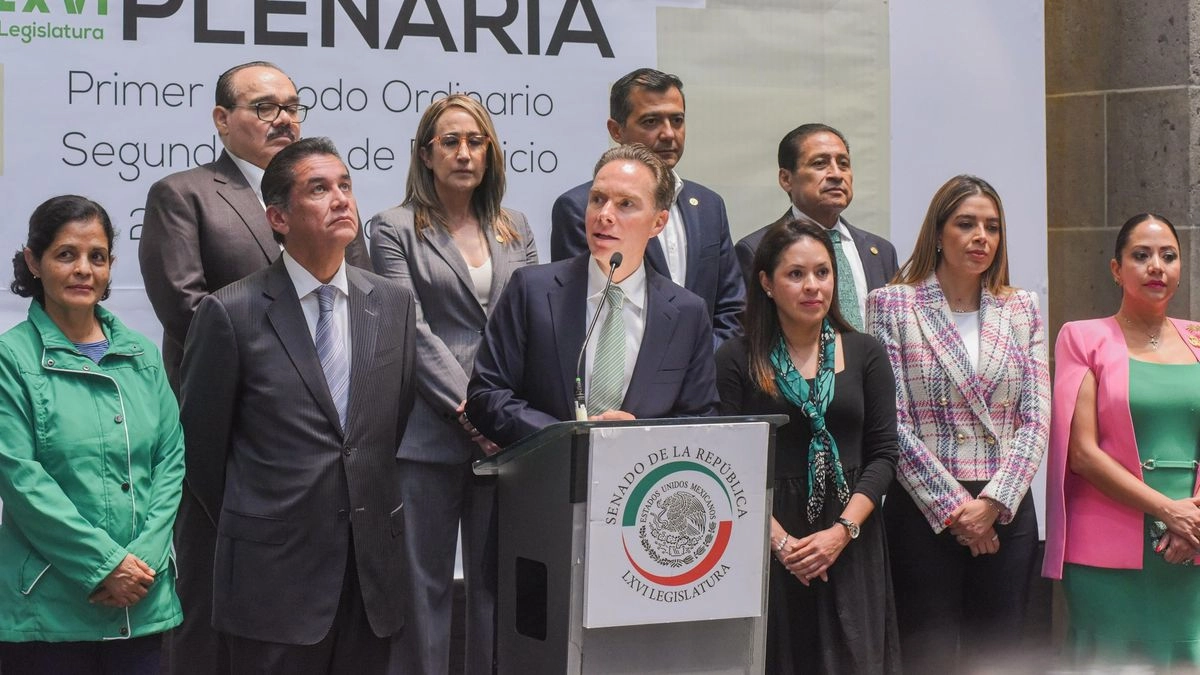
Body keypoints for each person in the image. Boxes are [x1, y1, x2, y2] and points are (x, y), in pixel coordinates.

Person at [139, 60, 370, 674]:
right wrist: (288, 383)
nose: (283, 118)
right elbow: (188, 310)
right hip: (231, 429)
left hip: (327, 441)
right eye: (264, 107)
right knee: (215, 601)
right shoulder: (183, 194)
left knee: (318, 615)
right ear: (222, 119)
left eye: (292, 105)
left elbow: (361, 303)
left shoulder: (336, 198)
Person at [179, 138, 417, 674]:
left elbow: (382, 431)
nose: (340, 200)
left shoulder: (393, 304)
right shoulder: (231, 312)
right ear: (278, 218)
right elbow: (202, 452)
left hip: (369, 576)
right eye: (319, 189)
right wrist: (267, 522)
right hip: (273, 579)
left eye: (345, 186)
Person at [367, 93, 538, 675]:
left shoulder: (516, 227)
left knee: (495, 588)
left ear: (490, 152)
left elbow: (530, 327)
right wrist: (473, 412)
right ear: (426, 153)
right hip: (429, 433)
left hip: (508, 438)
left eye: (476, 141)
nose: (464, 153)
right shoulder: (392, 228)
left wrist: (505, 417)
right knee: (424, 590)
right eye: (450, 142)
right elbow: (408, 327)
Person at [865, 174, 1049, 672]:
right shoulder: (892, 304)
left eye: (992, 226)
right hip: (924, 509)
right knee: (929, 655)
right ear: (938, 232)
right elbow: (893, 424)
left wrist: (991, 503)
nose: (980, 237)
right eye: (966, 224)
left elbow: (1035, 419)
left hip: (1005, 507)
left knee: (1001, 654)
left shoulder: (1021, 307)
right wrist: (957, 512)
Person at [0, 195, 185, 674]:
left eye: (96, 257)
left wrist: (141, 564)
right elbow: (21, 480)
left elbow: (170, 461)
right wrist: (106, 566)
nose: (84, 269)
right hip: (50, 608)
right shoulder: (11, 359)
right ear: (32, 262)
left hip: (142, 602)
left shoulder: (142, 355)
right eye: (66, 254)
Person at [716, 219, 900, 673]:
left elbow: (883, 455)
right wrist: (783, 544)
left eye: (822, 272)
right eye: (795, 274)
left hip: (851, 538)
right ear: (766, 283)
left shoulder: (866, 352)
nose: (812, 286)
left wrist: (841, 533)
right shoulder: (735, 360)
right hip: (768, 538)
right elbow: (724, 465)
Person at [467, 143, 718, 447]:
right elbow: (487, 395)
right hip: (545, 482)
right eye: (597, 199)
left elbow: (700, 418)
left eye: (626, 204)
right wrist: (566, 437)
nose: (605, 214)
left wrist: (644, 435)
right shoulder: (531, 290)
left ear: (658, 223)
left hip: (642, 486)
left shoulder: (687, 313)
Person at [1044, 213, 1200, 667]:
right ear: (1116, 269)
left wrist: (1192, 522)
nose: (1157, 266)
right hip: (1107, 547)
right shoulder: (1083, 338)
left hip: (1193, 542)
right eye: (1141, 256)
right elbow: (1083, 454)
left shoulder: (1198, 338)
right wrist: (1168, 511)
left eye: (1169, 256)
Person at [549, 68, 744, 348]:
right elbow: (584, 310)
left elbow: (732, 309)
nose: (668, 134)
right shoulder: (579, 208)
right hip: (623, 377)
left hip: (703, 382)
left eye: (677, 120)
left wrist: (698, 366)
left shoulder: (709, 205)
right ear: (617, 130)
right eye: (651, 121)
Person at [736, 124, 897, 331]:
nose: (837, 175)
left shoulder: (880, 251)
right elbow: (752, 334)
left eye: (844, 164)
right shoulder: (756, 249)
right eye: (820, 164)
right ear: (786, 179)